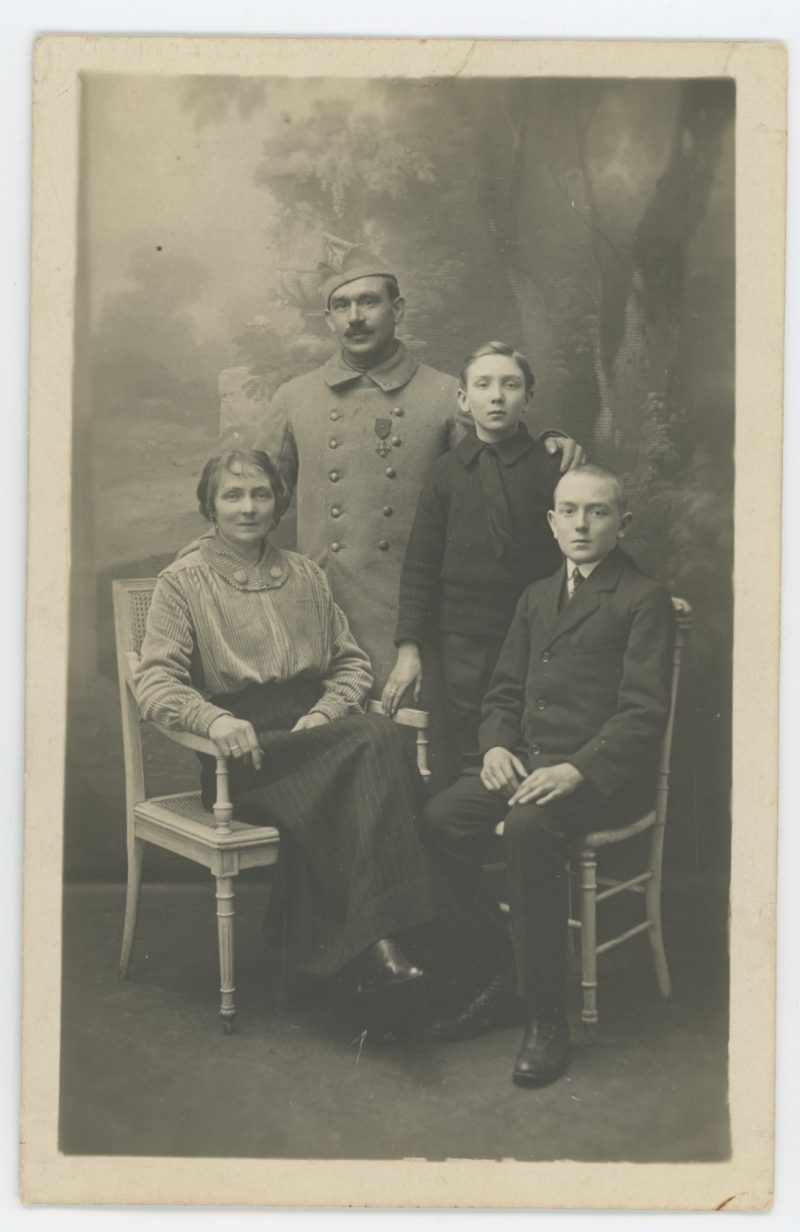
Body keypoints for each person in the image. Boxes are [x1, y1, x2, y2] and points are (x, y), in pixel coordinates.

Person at [134, 448, 444, 999]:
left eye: (260, 493)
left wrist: (323, 715)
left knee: (369, 744)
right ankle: (388, 943)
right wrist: (213, 719)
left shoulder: (304, 574)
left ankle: (375, 949)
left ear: (278, 502)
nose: (248, 507)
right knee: (380, 737)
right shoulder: (183, 582)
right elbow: (155, 684)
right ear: (210, 506)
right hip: (244, 756)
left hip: (317, 735)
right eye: (232, 495)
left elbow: (349, 664)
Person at [420, 465, 675, 1087]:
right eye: (569, 511)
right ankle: (506, 971)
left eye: (597, 511)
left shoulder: (643, 599)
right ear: (552, 521)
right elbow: (502, 693)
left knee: (529, 828)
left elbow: (643, 715)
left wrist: (577, 770)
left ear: (623, 523)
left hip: (599, 780)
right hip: (526, 765)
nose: (581, 524)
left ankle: (545, 1017)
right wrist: (495, 749)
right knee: (437, 821)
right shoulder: (536, 595)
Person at [256, 240, 586, 692]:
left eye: (369, 302)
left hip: (416, 615)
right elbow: (252, 504)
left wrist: (550, 443)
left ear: (399, 308)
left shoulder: (446, 393)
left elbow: (503, 462)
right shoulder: (295, 397)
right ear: (329, 319)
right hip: (322, 612)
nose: (355, 317)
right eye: (342, 306)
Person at [382, 341, 564, 773]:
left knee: (524, 737)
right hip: (457, 639)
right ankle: (470, 826)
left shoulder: (548, 467)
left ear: (529, 397)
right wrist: (410, 647)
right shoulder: (446, 471)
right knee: (464, 749)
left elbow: (582, 547)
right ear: (464, 399)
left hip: (529, 636)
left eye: (510, 385)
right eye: (483, 385)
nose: (497, 396)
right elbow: (421, 564)